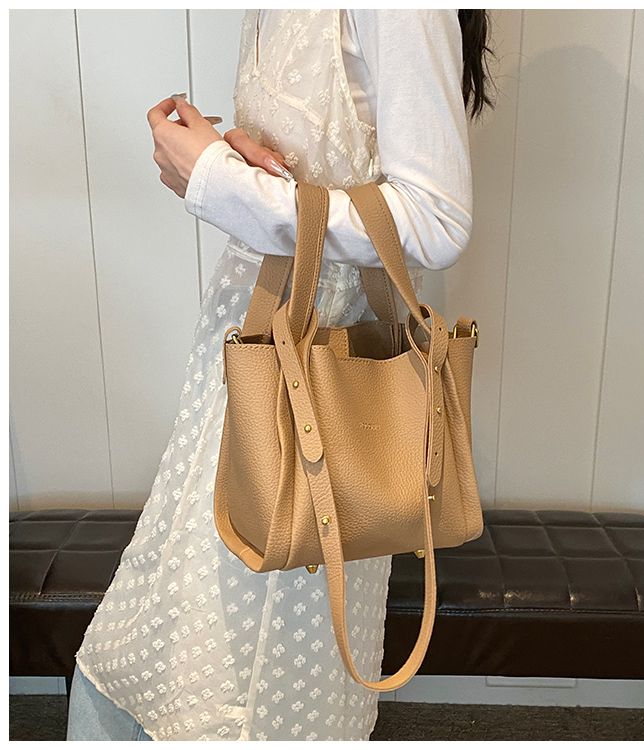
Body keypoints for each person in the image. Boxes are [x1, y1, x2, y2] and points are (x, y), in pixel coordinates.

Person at [66, 9, 494, 742]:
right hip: (244, 361)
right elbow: (335, 164)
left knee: (230, 688)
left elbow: (436, 219)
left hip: (319, 401)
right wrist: (234, 161)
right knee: (154, 655)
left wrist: (216, 181)